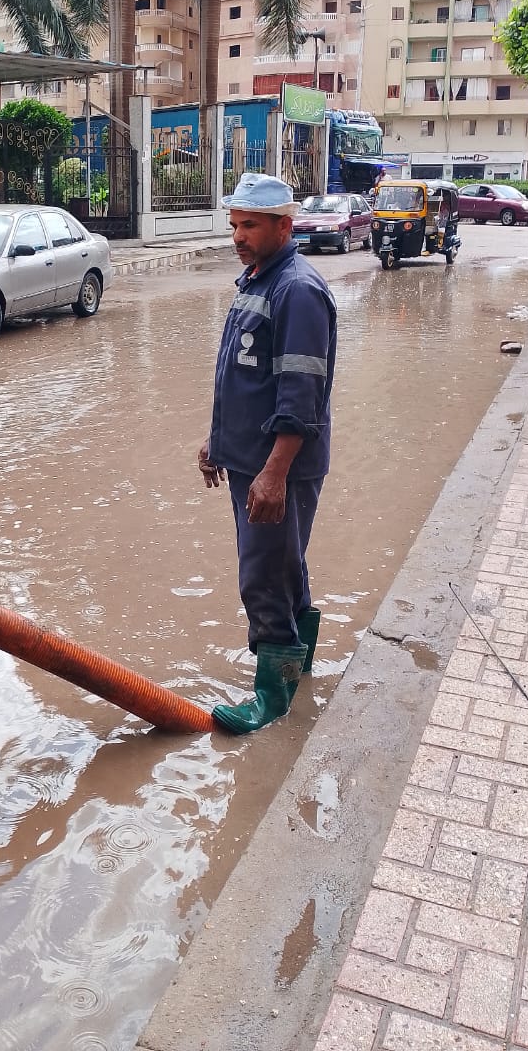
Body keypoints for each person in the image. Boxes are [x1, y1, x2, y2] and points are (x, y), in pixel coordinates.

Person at [199, 174, 337, 734]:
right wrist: (217, 440)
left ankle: (272, 697)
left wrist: (273, 473)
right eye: (234, 225)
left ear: (285, 225)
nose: (238, 236)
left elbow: (300, 392)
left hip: (278, 467)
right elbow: (241, 378)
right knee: (284, 563)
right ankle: (298, 663)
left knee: (262, 573)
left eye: (250, 225)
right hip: (248, 459)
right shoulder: (257, 280)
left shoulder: (297, 290)